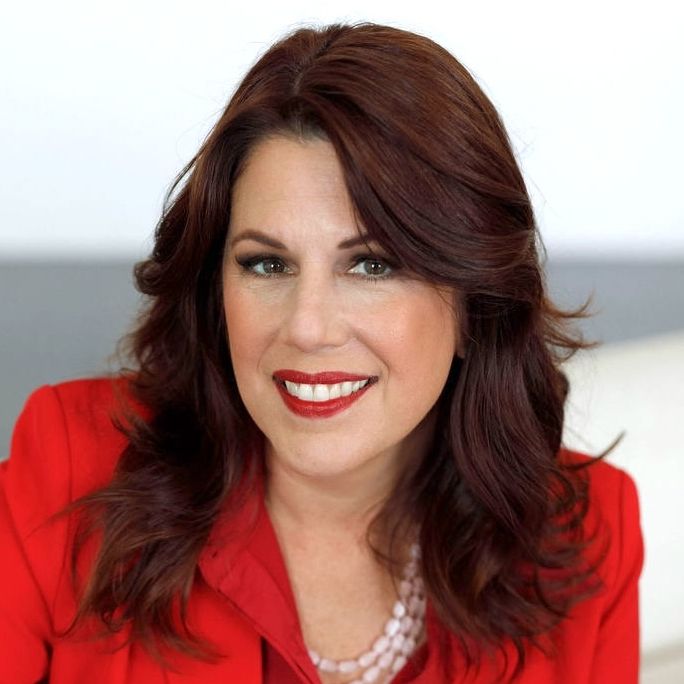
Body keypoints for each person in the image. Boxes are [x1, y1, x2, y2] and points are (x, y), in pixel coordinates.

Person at [0, 21, 643, 684]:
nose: (307, 328)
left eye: (371, 265)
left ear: (474, 303)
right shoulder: (69, 469)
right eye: (267, 263)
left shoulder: (589, 537)